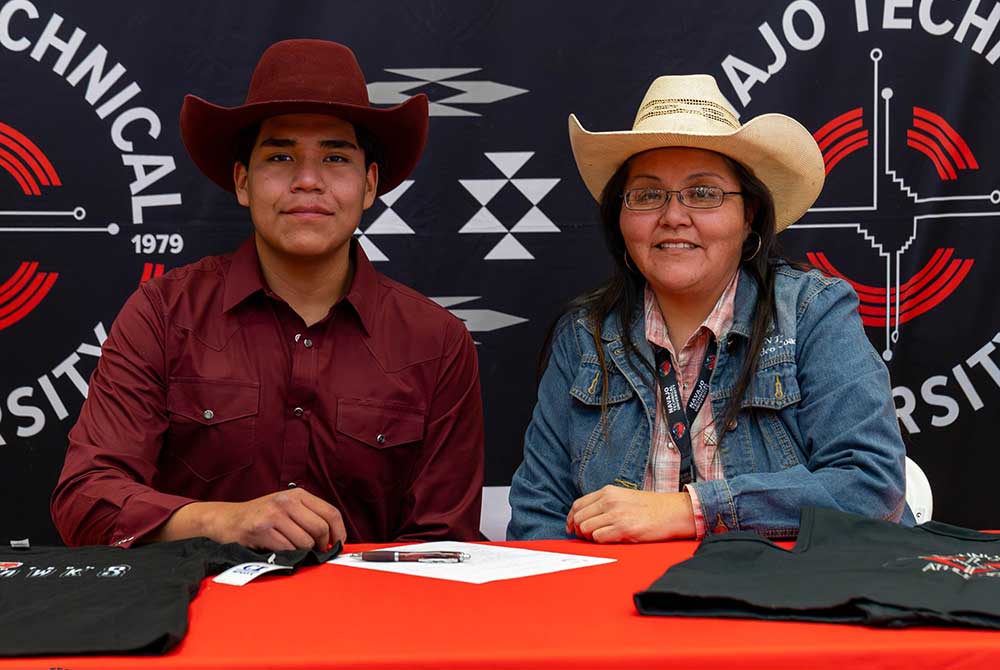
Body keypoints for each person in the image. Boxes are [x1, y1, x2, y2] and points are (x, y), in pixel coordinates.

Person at [51, 39, 484, 550]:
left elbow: (445, 547)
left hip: (367, 623)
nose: (307, 180)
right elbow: (86, 499)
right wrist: (222, 522)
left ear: (369, 185)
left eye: (335, 157)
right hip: (188, 619)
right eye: (280, 155)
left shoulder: (436, 342)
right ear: (242, 181)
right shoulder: (162, 314)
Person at [507, 74, 911, 542]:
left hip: (790, 598)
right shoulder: (584, 334)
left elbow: (871, 486)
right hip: (618, 605)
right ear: (620, 220)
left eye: (703, 193)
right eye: (647, 194)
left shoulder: (811, 311)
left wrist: (691, 509)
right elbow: (536, 517)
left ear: (749, 216)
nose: (674, 215)